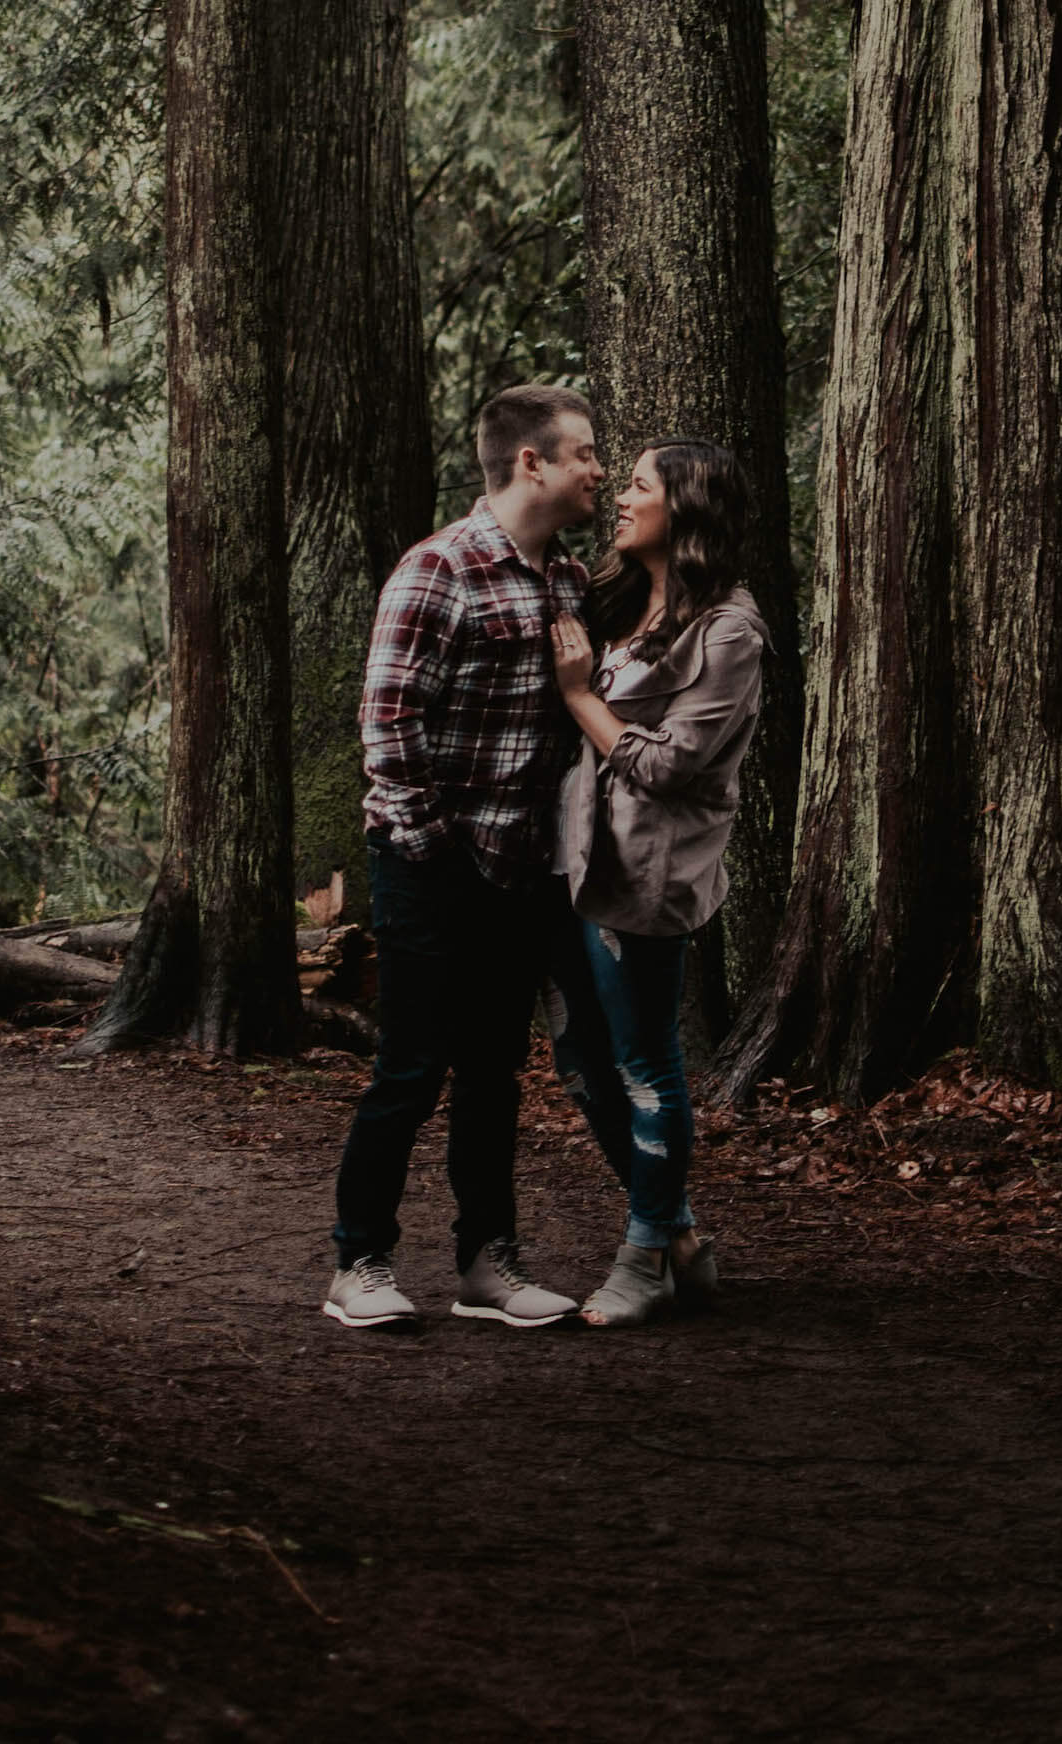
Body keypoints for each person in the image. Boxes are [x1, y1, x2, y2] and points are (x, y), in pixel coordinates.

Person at [323, 383, 606, 1331]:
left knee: (493, 1074)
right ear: (532, 462)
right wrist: (443, 852)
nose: (599, 472)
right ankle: (358, 1263)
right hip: (430, 861)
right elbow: (388, 734)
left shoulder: (568, 581)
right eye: (585, 455)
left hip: (525, 869)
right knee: (409, 1068)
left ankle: (488, 1263)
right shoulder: (436, 569)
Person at [550, 438, 767, 1327]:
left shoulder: (731, 632)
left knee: (645, 1067)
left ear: (686, 508)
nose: (624, 497)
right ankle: (677, 1235)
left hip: (647, 878)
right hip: (576, 862)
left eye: (639, 484)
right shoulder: (625, 604)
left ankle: (642, 1258)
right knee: (580, 1066)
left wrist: (580, 699)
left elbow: (671, 766)